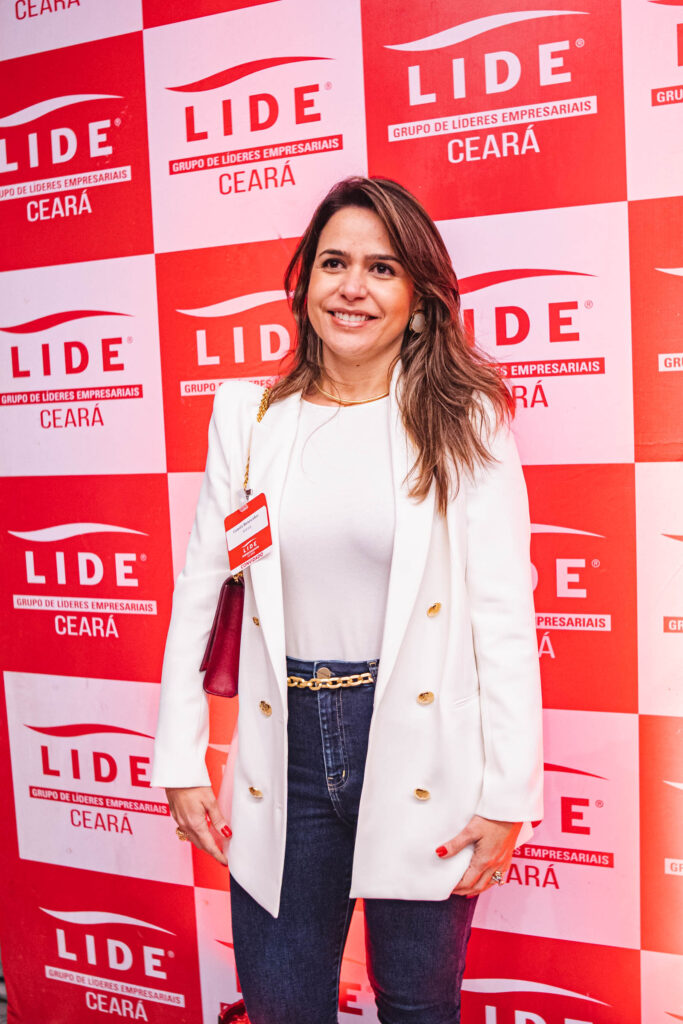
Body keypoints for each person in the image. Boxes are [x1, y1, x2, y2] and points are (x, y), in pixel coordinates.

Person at [150, 176, 544, 1024]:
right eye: (333, 263)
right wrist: (179, 757)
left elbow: (504, 616)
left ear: (419, 297)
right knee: (282, 1004)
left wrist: (507, 795)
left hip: (422, 743)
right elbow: (200, 589)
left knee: (418, 1003)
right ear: (304, 284)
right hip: (284, 743)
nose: (351, 288)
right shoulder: (248, 416)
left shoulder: (462, 417)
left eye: (381, 268)